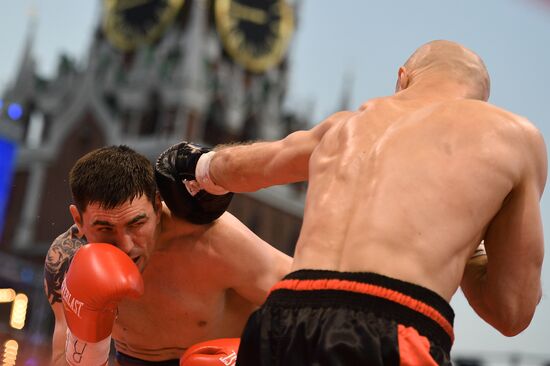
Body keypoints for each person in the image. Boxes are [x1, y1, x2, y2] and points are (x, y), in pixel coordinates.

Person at [175, 40, 547, 365]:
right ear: (481, 101)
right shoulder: (511, 136)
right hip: (393, 323)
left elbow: (250, 165)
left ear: (403, 77)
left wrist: (197, 165)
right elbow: (511, 312)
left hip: (284, 317)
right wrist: (471, 242)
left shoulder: (345, 126)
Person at [44, 145, 292, 365]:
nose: (126, 245)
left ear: (156, 203)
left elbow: (318, 303)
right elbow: (61, 359)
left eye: (136, 223)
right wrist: (87, 353)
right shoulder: (66, 258)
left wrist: (252, 358)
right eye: (105, 229)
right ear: (79, 219)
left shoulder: (213, 243)